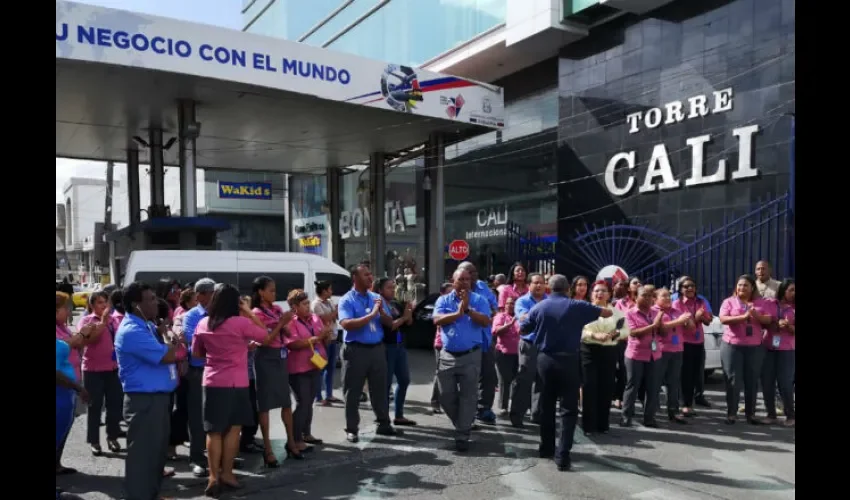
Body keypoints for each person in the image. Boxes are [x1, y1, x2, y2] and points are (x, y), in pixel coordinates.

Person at [191, 284, 277, 496]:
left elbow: (197, 353)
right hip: (237, 382)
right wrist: (248, 312)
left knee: (213, 430)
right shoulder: (240, 323)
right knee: (233, 430)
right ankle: (228, 473)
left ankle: (212, 476)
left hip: (212, 381)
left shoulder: (203, 323)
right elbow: (265, 335)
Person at [522, 275, 610, 471]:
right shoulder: (577, 306)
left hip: (545, 359)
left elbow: (523, 328)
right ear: (568, 288)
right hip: (569, 359)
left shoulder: (539, 307)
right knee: (568, 409)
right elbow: (606, 312)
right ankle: (563, 455)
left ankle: (546, 447)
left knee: (547, 405)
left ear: (548, 287)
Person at [114, 282, 184, 500]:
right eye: (151, 299)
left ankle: (150, 494)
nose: (157, 303)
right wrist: (176, 343)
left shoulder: (146, 325)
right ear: (136, 305)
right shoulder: (132, 330)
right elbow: (168, 355)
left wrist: (167, 338)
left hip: (158, 399)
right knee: (143, 456)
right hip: (145, 401)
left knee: (155, 454)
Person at [433, 268, 492, 451]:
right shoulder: (443, 300)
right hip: (448, 355)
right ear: (453, 280)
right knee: (444, 396)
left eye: (468, 279)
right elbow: (437, 320)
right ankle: (463, 423)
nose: (465, 282)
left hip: (471, 355)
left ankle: (462, 434)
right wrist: (457, 314)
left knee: (469, 396)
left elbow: (485, 321)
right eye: (461, 279)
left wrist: (467, 310)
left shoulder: (479, 300)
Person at [338, 264, 398, 443]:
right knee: (353, 392)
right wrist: (372, 314)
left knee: (380, 389)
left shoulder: (376, 297)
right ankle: (352, 429)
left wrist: (380, 312)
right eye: (366, 275)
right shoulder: (346, 300)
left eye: (371, 274)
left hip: (377, 349)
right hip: (356, 350)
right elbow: (346, 324)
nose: (370, 277)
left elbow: (389, 322)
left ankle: (384, 423)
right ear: (355, 278)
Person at [250, 276, 302, 466]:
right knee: (264, 404)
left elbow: (287, 332)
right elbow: (264, 338)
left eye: (274, 290)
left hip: (280, 356)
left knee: (285, 401)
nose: (274, 293)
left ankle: (291, 441)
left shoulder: (277, 309)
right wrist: (280, 323)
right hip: (265, 357)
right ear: (260, 292)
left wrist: (288, 321)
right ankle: (268, 449)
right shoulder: (256, 312)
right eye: (270, 290)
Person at [718, 274, 773, 425]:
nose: (742, 288)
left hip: (754, 347)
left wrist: (756, 315)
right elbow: (723, 319)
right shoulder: (729, 302)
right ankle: (731, 413)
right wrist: (743, 317)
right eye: (740, 285)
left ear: (752, 288)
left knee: (752, 381)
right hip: (732, 346)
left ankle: (751, 414)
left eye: (746, 285)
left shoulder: (761, 302)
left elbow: (769, 319)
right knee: (733, 380)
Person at [286, 289, 332, 451]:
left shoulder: (314, 318)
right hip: (298, 368)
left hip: (315, 365)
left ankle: (307, 433)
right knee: (302, 403)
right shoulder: (291, 322)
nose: (308, 307)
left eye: (307, 303)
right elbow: (293, 344)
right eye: (304, 304)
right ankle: (295, 439)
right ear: (294, 307)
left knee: (309, 402)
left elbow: (323, 338)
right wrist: (317, 338)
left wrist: (326, 335)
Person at [580, 280, 627, 436]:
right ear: (591, 293)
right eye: (596, 291)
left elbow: (626, 330)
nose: (599, 293)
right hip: (589, 350)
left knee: (606, 387)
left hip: (609, 350)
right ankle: (588, 425)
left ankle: (603, 424)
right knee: (589, 386)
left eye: (603, 291)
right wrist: (593, 335)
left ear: (609, 294)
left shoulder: (617, 312)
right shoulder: (584, 309)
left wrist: (615, 334)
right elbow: (578, 330)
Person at [78, 291, 123, 455]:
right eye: (99, 302)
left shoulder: (115, 320)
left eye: (105, 302)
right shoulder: (86, 320)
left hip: (113, 368)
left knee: (114, 405)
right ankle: (94, 441)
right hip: (93, 370)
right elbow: (89, 340)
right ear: (92, 305)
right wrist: (103, 322)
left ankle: (112, 437)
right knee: (94, 406)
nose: (104, 306)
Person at [182, 278, 217, 477]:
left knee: (216, 415)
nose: (215, 298)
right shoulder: (191, 316)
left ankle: (215, 454)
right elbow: (192, 341)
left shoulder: (221, 315)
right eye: (212, 293)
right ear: (200, 295)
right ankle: (196, 457)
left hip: (217, 370)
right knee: (197, 417)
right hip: (197, 372)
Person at [457, 261, 499, 425]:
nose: (473, 276)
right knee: (468, 378)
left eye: (474, 273)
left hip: (484, 339)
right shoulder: (454, 291)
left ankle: (484, 408)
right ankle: (466, 410)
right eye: (469, 273)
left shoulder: (482, 287)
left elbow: (494, 308)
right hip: (465, 343)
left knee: (489, 376)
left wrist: (489, 314)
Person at [56, 291, 91, 475]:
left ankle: (57, 464)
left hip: (68, 387)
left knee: (64, 427)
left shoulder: (63, 327)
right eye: (65, 308)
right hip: (61, 388)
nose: (69, 311)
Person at [375, 277, 417, 426]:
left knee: (404, 380)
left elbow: (407, 323)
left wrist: (409, 313)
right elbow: (390, 326)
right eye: (389, 288)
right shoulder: (378, 304)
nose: (392, 290)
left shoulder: (394, 304)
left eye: (393, 288)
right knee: (385, 384)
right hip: (387, 346)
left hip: (400, 345)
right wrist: (404, 318)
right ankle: (383, 417)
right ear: (380, 290)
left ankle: (399, 415)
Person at [509, 272, 548, 427]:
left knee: (542, 381)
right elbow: (524, 318)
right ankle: (517, 415)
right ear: (529, 285)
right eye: (535, 282)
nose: (539, 285)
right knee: (524, 380)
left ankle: (537, 414)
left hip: (546, 345)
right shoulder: (522, 301)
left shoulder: (549, 300)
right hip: (529, 345)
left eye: (541, 282)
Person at [622, 285, 663, 428]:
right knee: (633, 386)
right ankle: (626, 416)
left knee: (653, 387)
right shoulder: (630, 313)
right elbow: (633, 332)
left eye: (650, 295)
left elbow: (662, 330)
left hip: (654, 354)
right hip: (636, 354)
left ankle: (649, 418)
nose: (647, 298)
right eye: (643, 295)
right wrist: (654, 326)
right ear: (636, 297)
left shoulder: (656, 312)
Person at [672, 277, 713, 417]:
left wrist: (704, 317)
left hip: (698, 342)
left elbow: (708, 321)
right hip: (685, 343)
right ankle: (684, 404)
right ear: (681, 289)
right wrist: (697, 317)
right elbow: (686, 325)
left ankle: (691, 403)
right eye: (686, 286)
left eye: (692, 286)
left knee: (696, 374)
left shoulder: (700, 301)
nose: (690, 288)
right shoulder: (677, 304)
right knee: (685, 375)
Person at [653, 288, 693, 424]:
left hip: (677, 350)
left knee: (674, 382)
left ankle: (673, 411)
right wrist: (679, 321)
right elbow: (661, 328)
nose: (668, 298)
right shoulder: (654, 311)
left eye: (669, 296)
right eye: (663, 296)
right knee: (655, 381)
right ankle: (651, 412)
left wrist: (689, 319)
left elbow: (691, 328)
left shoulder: (677, 311)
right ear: (655, 298)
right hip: (661, 350)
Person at [761, 278, 795, 427]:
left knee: (785, 383)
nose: (794, 293)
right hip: (768, 347)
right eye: (791, 290)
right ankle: (771, 414)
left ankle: (791, 415)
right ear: (783, 290)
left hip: (787, 350)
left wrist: (789, 327)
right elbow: (762, 322)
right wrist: (775, 323)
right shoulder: (769, 303)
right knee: (767, 382)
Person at [312, 280, 342, 406]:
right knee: (320, 368)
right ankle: (318, 396)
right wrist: (334, 312)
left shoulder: (329, 302)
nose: (331, 292)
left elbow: (334, 317)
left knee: (330, 369)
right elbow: (325, 318)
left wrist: (333, 313)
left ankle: (329, 394)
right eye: (329, 289)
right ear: (324, 291)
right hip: (322, 341)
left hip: (333, 338)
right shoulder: (316, 304)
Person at [492, 296, 521, 417]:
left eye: (513, 303)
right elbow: (496, 331)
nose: (510, 306)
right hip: (503, 353)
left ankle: (516, 407)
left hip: (518, 354)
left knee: (517, 381)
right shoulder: (500, 316)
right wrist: (509, 324)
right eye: (508, 303)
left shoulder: (520, 316)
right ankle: (503, 407)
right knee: (504, 380)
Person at [430, 282, 454, 414]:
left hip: (453, 345)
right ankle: (435, 402)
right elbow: (440, 322)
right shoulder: (441, 305)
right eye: (448, 293)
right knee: (440, 373)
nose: (451, 295)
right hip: (441, 344)